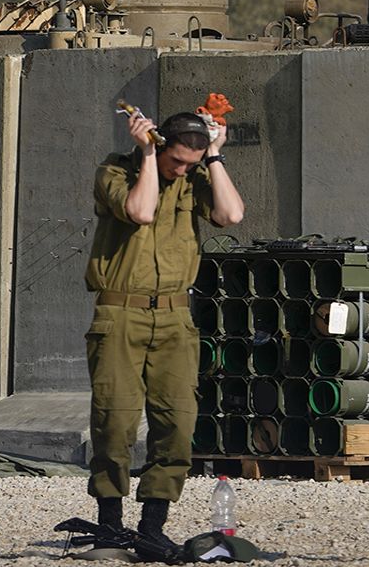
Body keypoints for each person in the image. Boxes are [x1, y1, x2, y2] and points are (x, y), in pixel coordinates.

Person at [87, 109, 244, 550]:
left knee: (177, 423)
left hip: (175, 316)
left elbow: (231, 214)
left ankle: (153, 525)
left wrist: (213, 156)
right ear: (158, 146)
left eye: (189, 163)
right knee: (114, 422)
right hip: (120, 312)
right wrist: (149, 156)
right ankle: (110, 525)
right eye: (177, 160)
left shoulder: (195, 177)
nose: (182, 170)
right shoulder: (116, 171)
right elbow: (140, 210)